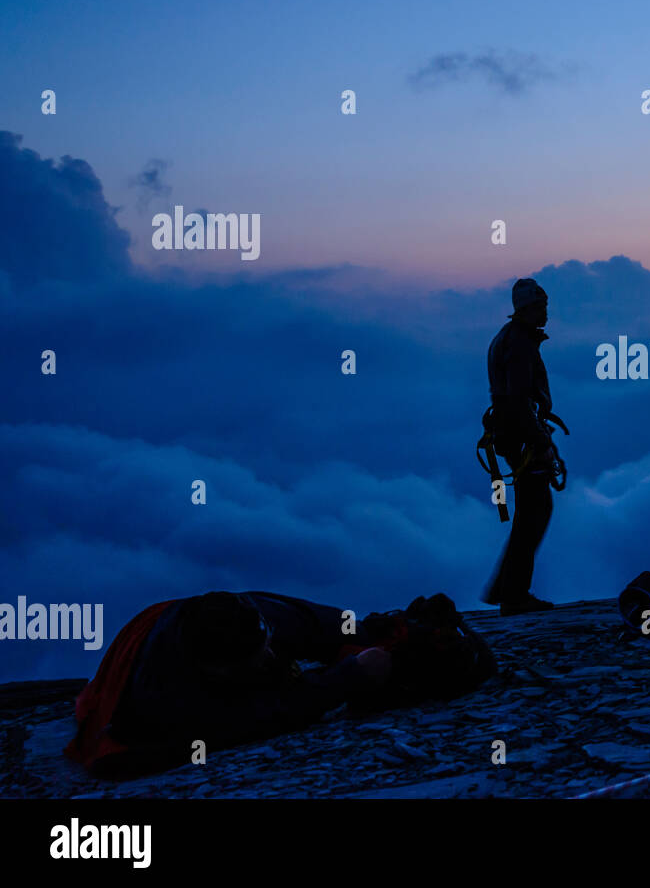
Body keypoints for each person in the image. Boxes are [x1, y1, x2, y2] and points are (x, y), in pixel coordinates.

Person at [67, 590, 494, 776]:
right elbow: (261, 716)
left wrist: (379, 640)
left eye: (267, 644)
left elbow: (311, 627)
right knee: (276, 683)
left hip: (182, 614)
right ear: (219, 672)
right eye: (259, 656)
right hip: (143, 640)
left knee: (331, 629)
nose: (271, 655)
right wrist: (346, 679)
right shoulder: (171, 702)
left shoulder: (245, 615)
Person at [482, 278, 561, 615]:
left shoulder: (513, 340)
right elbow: (516, 400)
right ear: (528, 309)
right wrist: (540, 440)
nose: (546, 311)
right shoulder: (519, 344)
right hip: (522, 437)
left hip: (515, 435)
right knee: (535, 511)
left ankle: (507, 589)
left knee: (532, 511)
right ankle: (513, 595)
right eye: (541, 306)